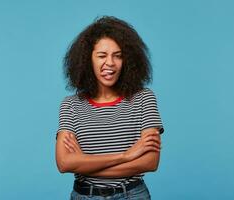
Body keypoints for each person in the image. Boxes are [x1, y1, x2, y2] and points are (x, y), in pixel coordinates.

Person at [55, 16, 164, 200]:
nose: (110, 63)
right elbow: (64, 163)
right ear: (87, 60)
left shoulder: (144, 98)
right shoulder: (71, 105)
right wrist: (126, 155)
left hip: (132, 195)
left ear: (127, 60)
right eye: (102, 55)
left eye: (118, 55)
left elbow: (150, 162)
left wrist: (85, 163)